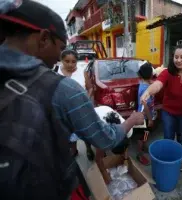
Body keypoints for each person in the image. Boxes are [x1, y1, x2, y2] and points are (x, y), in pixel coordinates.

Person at [0, 1, 144, 199]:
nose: (59, 59)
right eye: (60, 49)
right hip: (50, 186)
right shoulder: (64, 89)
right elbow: (105, 139)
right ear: (43, 39)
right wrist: (133, 120)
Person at [141, 44, 182, 169]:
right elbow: (158, 84)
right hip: (169, 112)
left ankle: (180, 160)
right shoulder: (167, 73)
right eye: (176, 57)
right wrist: (148, 92)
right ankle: (167, 160)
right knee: (168, 136)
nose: (178, 60)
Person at [58, 50, 95, 161]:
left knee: (85, 131)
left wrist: (87, 99)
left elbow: (90, 88)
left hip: (81, 110)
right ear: (62, 60)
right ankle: (73, 150)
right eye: (67, 61)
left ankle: (88, 148)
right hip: (64, 111)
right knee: (69, 133)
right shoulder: (55, 72)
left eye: (73, 62)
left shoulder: (82, 72)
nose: (70, 64)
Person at [136, 62, 155, 166]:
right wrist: (150, 119)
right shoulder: (145, 89)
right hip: (144, 117)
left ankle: (144, 144)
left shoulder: (143, 83)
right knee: (141, 135)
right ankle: (139, 154)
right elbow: (145, 106)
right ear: (151, 74)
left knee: (145, 134)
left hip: (144, 116)